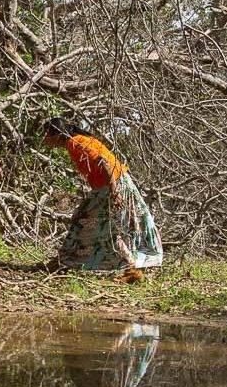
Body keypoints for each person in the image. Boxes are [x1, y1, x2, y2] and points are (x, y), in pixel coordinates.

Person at [39, 117, 163, 277]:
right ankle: (128, 266)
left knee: (91, 224)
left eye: (46, 134)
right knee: (107, 226)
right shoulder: (80, 141)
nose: (44, 138)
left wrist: (114, 192)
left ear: (56, 135)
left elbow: (103, 163)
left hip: (112, 186)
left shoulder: (75, 143)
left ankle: (66, 261)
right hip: (115, 184)